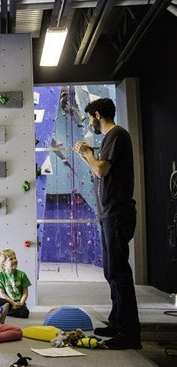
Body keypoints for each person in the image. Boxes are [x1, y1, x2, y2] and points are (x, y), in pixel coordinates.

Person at [74, 97, 142, 350]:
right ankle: (117, 322)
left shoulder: (116, 135)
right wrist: (85, 156)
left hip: (117, 212)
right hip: (109, 213)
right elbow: (98, 169)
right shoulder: (110, 140)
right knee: (111, 271)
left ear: (97, 114)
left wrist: (90, 153)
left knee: (119, 273)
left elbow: (101, 169)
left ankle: (129, 333)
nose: (90, 123)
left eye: (89, 118)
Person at [0, 249, 31, 318]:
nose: (14, 260)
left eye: (15, 258)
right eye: (11, 259)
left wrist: (20, 304)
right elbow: (2, 294)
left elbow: (25, 293)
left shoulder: (22, 275)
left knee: (25, 312)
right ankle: (5, 310)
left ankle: (4, 312)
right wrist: (12, 303)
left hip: (19, 303)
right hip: (7, 302)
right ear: (3, 264)